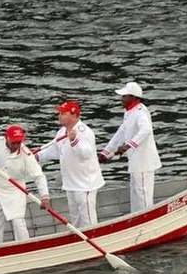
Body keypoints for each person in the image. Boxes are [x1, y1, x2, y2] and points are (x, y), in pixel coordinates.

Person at [0, 125, 50, 245]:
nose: (16, 146)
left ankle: (25, 247)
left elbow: (38, 176)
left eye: (19, 142)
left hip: (15, 191)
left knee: (18, 222)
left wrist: (44, 196)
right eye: (14, 142)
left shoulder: (26, 155)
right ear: (6, 138)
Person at [36, 101, 104, 228]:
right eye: (59, 113)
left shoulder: (84, 131)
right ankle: (78, 240)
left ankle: (92, 239)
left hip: (85, 184)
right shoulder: (62, 131)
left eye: (63, 113)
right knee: (75, 217)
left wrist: (74, 140)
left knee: (88, 219)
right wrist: (37, 156)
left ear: (74, 115)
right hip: (71, 183)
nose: (59, 115)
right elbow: (55, 150)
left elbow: (85, 154)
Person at [99, 82, 162, 213]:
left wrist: (127, 146)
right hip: (135, 161)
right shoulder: (129, 112)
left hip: (144, 162)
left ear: (133, 97)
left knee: (142, 193)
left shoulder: (140, 112)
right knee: (135, 192)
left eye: (124, 96)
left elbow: (146, 130)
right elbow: (121, 132)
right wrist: (106, 151)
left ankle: (146, 220)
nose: (121, 99)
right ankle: (136, 217)